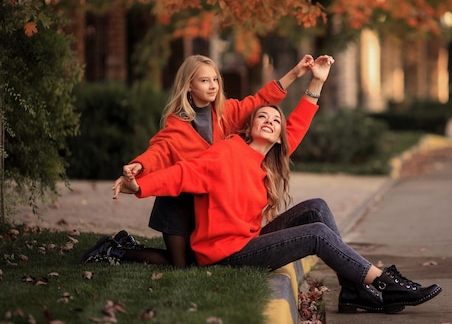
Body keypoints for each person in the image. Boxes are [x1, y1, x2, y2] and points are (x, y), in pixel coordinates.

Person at [111, 55, 442, 314]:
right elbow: (177, 170)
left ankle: (355, 290)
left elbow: (296, 123)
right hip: (226, 252)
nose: (270, 121)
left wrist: (315, 81)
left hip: (246, 240)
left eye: (275, 120)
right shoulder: (226, 151)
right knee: (316, 234)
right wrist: (137, 184)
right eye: (262, 117)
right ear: (248, 124)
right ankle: (383, 283)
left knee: (317, 208)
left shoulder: (265, 155)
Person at [82, 54, 315, 267]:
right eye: (204, 81)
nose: (213, 85)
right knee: (180, 265)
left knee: (193, 262)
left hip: (206, 206)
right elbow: (161, 150)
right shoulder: (178, 124)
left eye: (215, 79)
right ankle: (114, 251)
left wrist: (295, 73)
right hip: (178, 202)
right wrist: (140, 165)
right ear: (189, 85)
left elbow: (261, 101)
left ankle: (124, 244)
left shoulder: (228, 112)